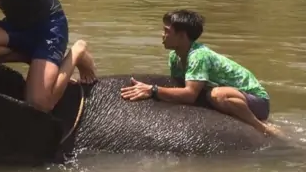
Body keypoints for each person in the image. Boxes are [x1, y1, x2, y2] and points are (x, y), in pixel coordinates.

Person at [120, 9, 281, 136]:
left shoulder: (199, 56)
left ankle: (260, 127)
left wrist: (152, 90)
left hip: (255, 101)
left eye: (167, 31)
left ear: (182, 35)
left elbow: (190, 94)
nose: (162, 35)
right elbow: (179, 86)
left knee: (217, 95)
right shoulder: (175, 56)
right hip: (227, 94)